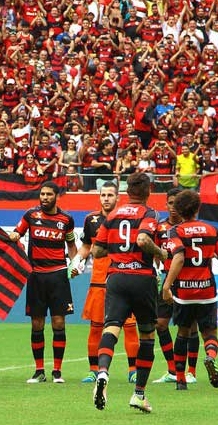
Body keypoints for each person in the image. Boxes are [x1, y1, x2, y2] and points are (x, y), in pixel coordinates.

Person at [90, 172, 168, 412]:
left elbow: (97, 251)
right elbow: (144, 240)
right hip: (142, 279)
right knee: (147, 336)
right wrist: (160, 253)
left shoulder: (113, 215)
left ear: (127, 191)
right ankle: (139, 395)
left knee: (111, 327)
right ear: (148, 191)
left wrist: (117, 251)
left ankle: (102, 372)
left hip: (115, 278)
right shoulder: (149, 213)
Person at [161, 190, 218, 390]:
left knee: (183, 333)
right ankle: (210, 357)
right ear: (198, 208)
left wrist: (167, 285)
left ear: (178, 210)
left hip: (184, 293)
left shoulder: (175, 231)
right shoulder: (212, 230)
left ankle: (180, 380)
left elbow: (178, 257)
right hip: (206, 291)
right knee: (209, 333)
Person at [9, 181, 77, 384]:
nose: (45, 197)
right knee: (37, 323)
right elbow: (17, 233)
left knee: (58, 322)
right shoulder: (30, 215)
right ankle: (39, 371)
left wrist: (74, 264)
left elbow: (71, 245)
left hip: (58, 276)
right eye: (42, 194)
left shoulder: (66, 220)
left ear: (56, 196)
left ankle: (57, 371)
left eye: (49, 194)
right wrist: (13, 235)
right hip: (36, 276)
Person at [73, 182, 140, 384]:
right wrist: (77, 261)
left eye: (110, 195)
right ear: (99, 197)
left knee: (130, 326)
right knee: (96, 326)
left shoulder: (125, 219)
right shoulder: (91, 220)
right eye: (103, 195)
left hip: (123, 277)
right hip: (99, 281)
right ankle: (93, 370)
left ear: (118, 198)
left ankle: (133, 370)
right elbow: (86, 246)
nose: (106, 198)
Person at [152, 188, 199, 385]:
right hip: (166, 279)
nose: (173, 208)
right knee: (160, 324)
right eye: (170, 203)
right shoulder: (160, 228)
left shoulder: (190, 229)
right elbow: (154, 251)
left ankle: (191, 372)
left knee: (190, 326)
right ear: (166, 204)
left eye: (176, 204)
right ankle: (172, 369)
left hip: (189, 279)